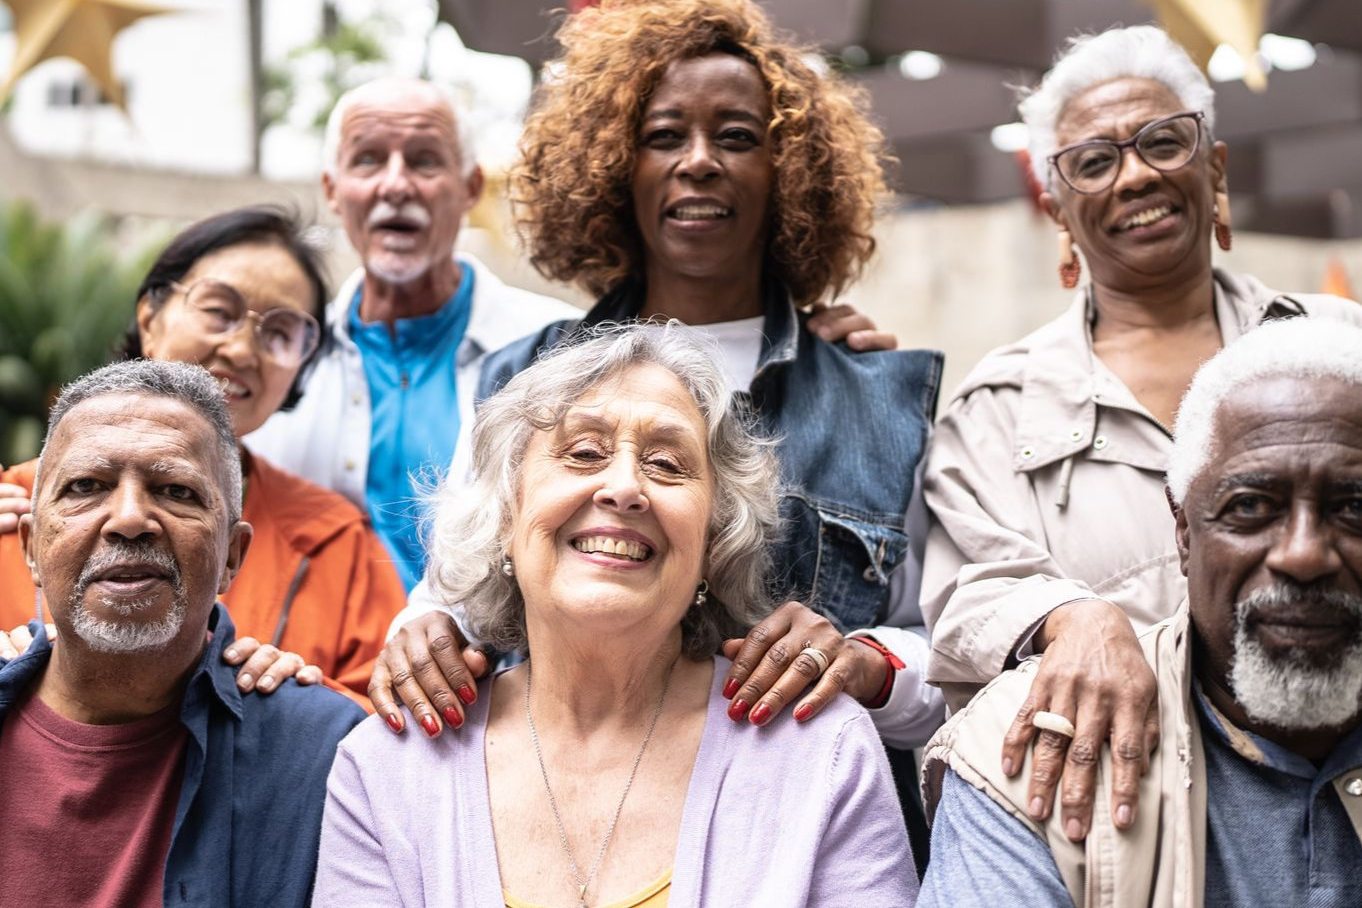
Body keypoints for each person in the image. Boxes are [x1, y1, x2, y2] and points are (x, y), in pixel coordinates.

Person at [371, 0, 943, 800]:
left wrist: (869, 662)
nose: (699, 160)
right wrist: (420, 636)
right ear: (614, 167)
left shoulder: (879, 399)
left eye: (738, 136)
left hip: (807, 833)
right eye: (664, 135)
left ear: (788, 172)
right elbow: (454, 604)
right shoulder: (518, 380)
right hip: (557, 817)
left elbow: (952, 661)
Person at [920, 24, 1362, 843]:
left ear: (1213, 168)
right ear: (1057, 204)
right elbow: (965, 597)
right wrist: (1073, 617)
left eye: (1163, 142)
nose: (1135, 175)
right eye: (1094, 160)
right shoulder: (999, 407)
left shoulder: (1339, 348)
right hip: (1131, 825)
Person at [314, 327, 918, 907]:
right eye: (583, 453)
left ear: (713, 542)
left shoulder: (820, 750)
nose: (624, 487)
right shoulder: (387, 766)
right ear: (504, 517)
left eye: (667, 463)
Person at [241, 77, 893, 592]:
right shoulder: (272, 365)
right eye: (367, 161)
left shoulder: (551, 357)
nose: (395, 183)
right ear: (332, 188)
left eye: (424, 160)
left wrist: (835, 371)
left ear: (471, 187)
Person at [918, 317, 1362, 908]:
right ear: (1182, 530)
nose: (1304, 556)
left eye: (1355, 506)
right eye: (1251, 505)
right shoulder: (1028, 747)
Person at [0, 208, 406, 705]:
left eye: (279, 332)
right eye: (218, 311)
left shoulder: (335, 542)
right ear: (150, 316)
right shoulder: (14, 505)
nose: (240, 349)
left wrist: (303, 697)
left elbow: (388, 719)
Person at [0, 361, 363, 908]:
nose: (128, 518)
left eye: (175, 490)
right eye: (86, 486)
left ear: (232, 557)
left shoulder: (328, 755)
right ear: (29, 546)